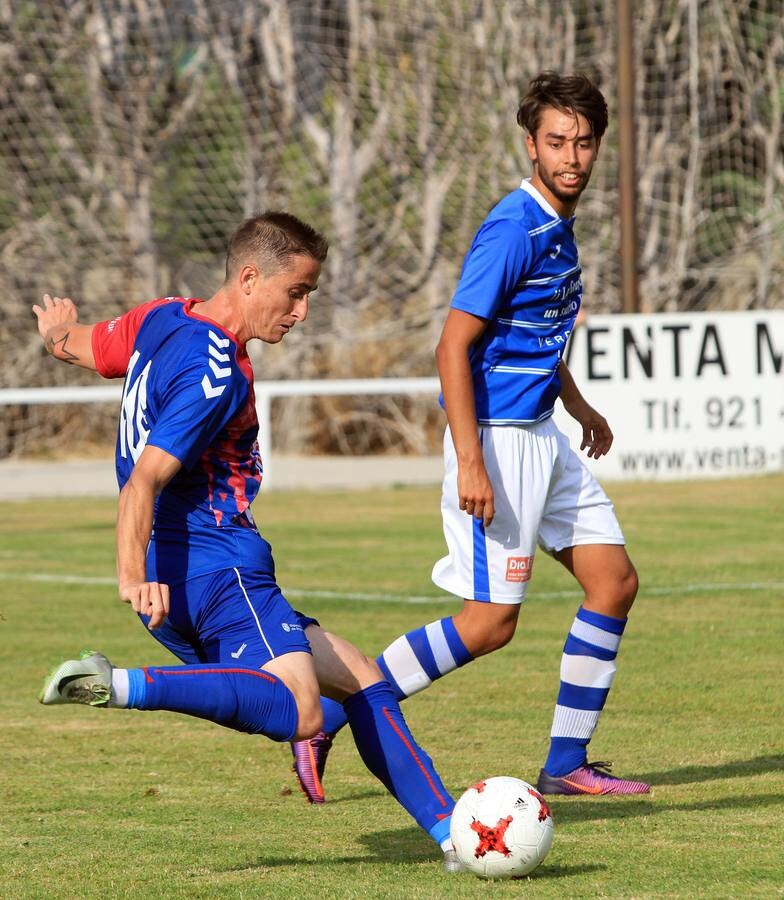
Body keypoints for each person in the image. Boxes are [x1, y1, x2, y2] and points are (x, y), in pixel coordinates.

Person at [34, 212, 463, 872]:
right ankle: (117, 685)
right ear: (251, 277)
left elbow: (82, 347)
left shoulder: (160, 319)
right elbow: (144, 478)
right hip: (218, 568)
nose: (300, 312)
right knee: (300, 710)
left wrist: (57, 334)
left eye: (309, 296)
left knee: (362, 679)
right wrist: (127, 576)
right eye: (296, 293)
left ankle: (453, 837)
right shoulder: (215, 372)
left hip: (177, 576)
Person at [291, 72, 650, 802]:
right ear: (532, 145)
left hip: (542, 434)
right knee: (488, 625)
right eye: (557, 142)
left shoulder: (559, 226)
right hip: (498, 442)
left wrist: (578, 406)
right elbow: (453, 347)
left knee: (613, 583)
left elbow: (535, 339)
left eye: (583, 142)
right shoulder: (514, 228)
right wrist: (472, 462)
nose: (572, 156)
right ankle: (330, 712)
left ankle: (567, 762)